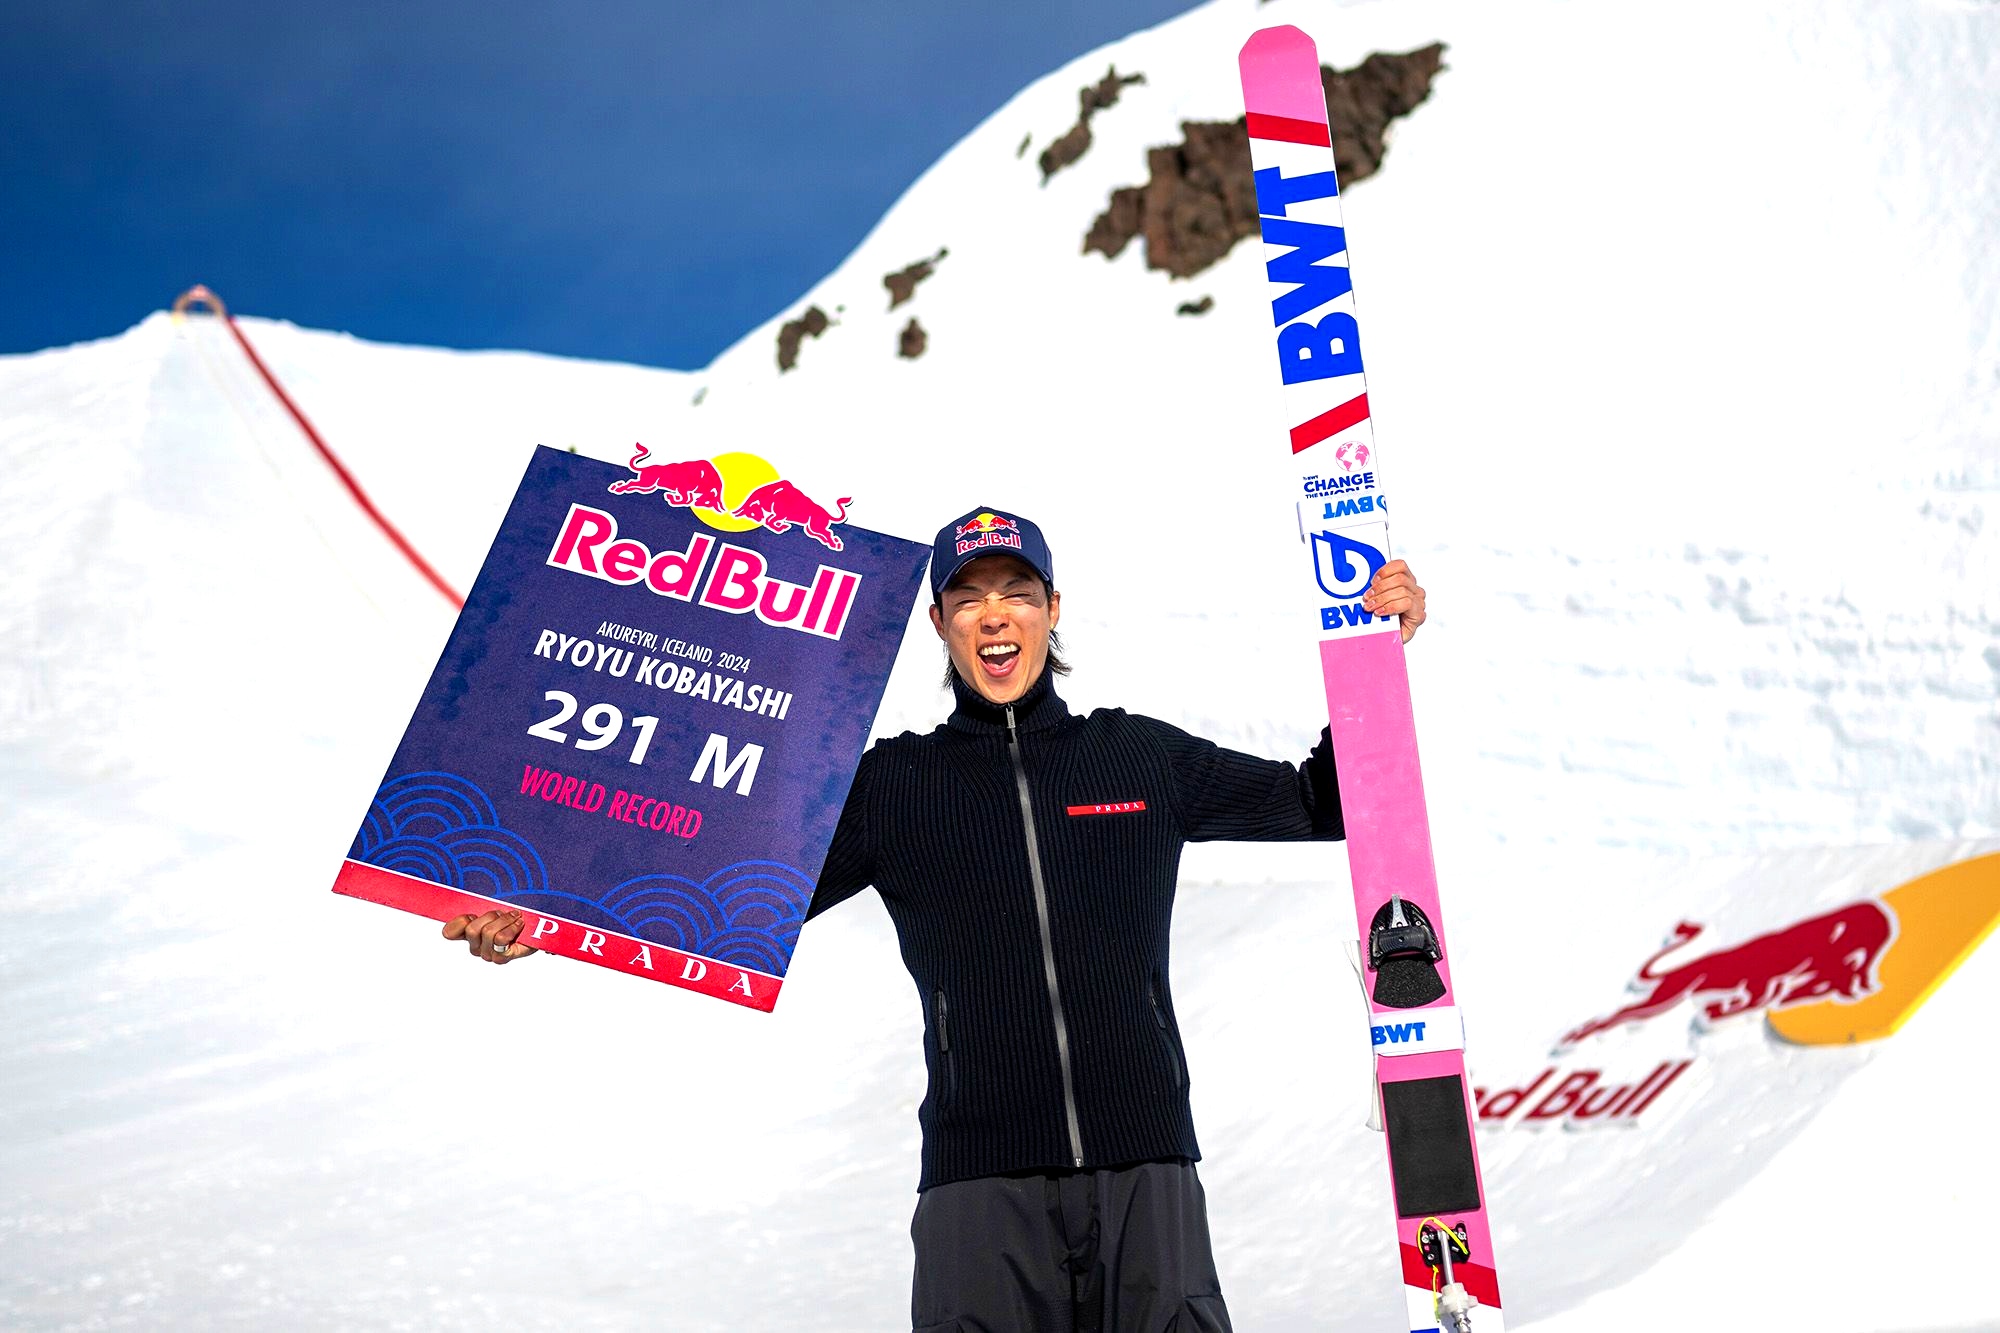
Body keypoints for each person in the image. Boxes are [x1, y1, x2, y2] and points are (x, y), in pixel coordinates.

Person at [444, 505, 1428, 1333]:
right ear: (939, 621)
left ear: (1051, 611)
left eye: (1015, 593)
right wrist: (542, 911)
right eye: (968, 598)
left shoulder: (1138, 760)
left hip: (1146, 1169)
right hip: (975, 1186)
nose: (993, 617)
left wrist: (1377, 656)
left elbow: (1325, 804)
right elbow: (730, 901)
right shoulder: (891, 788)